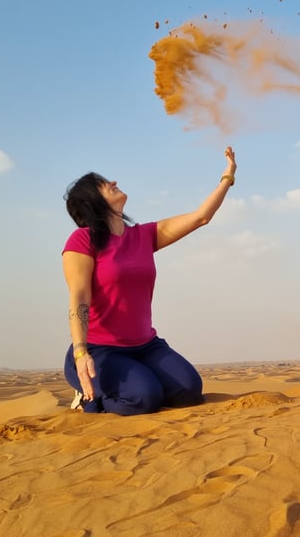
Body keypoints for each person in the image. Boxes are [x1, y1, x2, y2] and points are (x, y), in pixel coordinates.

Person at [61, 146, 237, 414]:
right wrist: (81, 351)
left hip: (145, 346)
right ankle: (90, 398)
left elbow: (201, 217)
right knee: (144, 398)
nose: (114, 182)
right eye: (103, 184)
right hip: (100, 350)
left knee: (189, 390)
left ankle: (137, 380)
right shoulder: (83, 240)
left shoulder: (143, 236)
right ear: (91, 201)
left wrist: (228, 175)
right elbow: (79, 296)